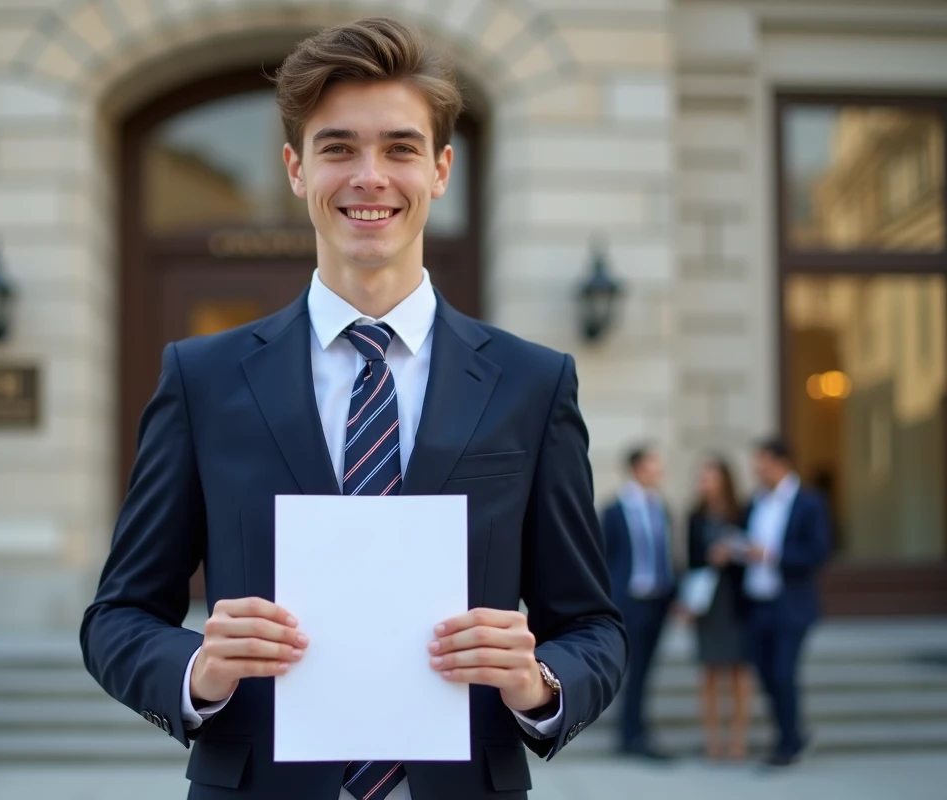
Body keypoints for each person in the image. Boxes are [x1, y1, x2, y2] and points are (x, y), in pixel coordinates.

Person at [80, 16, 626, 800]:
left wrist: (539, 682)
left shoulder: (531, 385)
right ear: (295, 170)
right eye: (338, 148)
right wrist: (199, 668)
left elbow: (596, 629)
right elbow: (118, 617)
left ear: (440, 170)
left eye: (400, 147)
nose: (370, 175)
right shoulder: (202, 378)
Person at [742, 438, 830, 767]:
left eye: (762, 463)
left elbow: (818, 552)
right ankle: (793, 734)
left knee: (782, 672)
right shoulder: (756, 503)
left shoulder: (808, 502)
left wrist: (772, 555)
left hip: (791, 605)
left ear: (782, 464)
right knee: (766, 674)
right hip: (758, 603)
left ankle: (787, 744)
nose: (757, 470)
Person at [601, 445, 677, 760]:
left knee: (646, 669)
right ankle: (630, 734)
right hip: (628, 601)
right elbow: (604, 558)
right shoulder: (615, 510)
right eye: (652, 465)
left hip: (657, 601)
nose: (658, 471)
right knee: (629, 669)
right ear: (636, 468)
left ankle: (636, 731)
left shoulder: (661, 507)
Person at [685, 456, 752, 762]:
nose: (705, 483)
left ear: (724, 479)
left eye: (709, 476)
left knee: (739, 672)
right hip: (708, 603)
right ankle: (713, 741)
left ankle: (738, 741)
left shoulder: (742, 512)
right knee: (709, 672)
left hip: (735, 601)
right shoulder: (695, 517)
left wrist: (734, 554)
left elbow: (752, 552)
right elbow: (690, 563)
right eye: (702, 477)